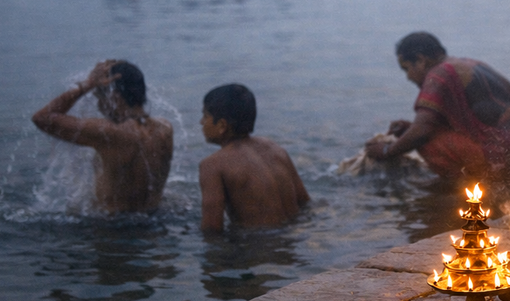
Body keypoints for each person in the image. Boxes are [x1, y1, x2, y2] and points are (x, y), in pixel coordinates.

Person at [363, 32, 510, 186]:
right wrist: (409, 129)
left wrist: (387, 151)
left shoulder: (439, 75)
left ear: (420, 60)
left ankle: (465, 184)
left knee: (425, 141)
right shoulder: (467, 64)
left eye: (407, 69)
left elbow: (423, 130)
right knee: (423, 134)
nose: (408, 77)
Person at [32, 60, 174, 214]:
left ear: (114, 96)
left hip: (110, 232)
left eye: (99, 96)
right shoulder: (165, 129)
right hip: (153, 223)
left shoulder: (110, 133)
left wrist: (87, 84)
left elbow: (42, 118)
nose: (99, 105)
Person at [198, 84, 310, 232]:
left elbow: (212, 230)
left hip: (258, 249)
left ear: (221, 125)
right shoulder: (275, 149)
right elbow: (304, 203)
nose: (201, 122)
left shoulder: (212, 165)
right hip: (294, 239)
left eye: (205, 116)